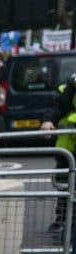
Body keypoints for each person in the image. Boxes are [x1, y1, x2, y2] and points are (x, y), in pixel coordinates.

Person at [41, 73, 76, 234]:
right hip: (70, 149)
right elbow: (61, 106)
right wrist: (49, 120)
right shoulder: (74, 82)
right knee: (66, 186)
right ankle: (63, 220)